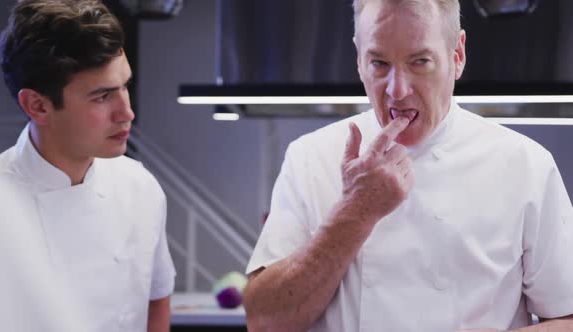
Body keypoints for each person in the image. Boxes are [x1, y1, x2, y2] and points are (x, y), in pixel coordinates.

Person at [242, 0, 573, 331]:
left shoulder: (526, 165)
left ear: (457, 56)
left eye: (420, 62)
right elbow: (264, 322)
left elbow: (566, 316)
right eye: (379, 63)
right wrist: (355, 212)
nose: (397, 91)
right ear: (358, 59)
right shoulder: (310, 158)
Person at [0, 0, 176, 331]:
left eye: (125, 86)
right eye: (102, 97)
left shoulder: (140, 188)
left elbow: (156, 299)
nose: (126, 113)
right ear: (38, 105)